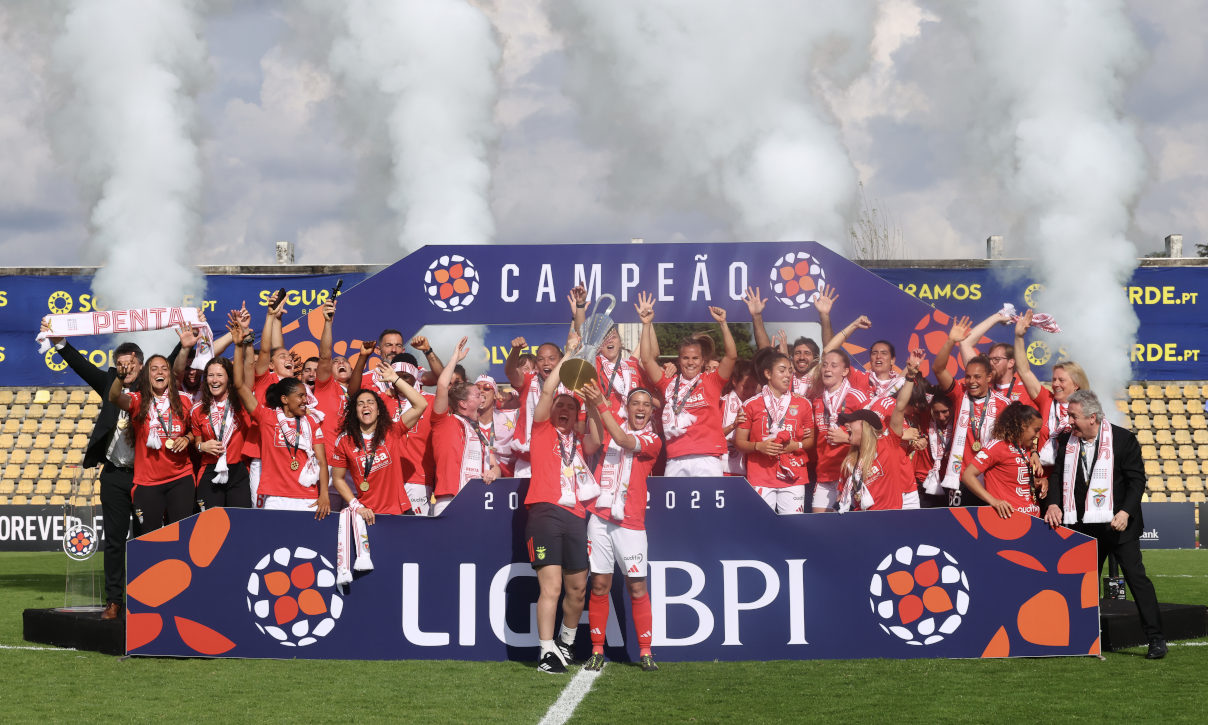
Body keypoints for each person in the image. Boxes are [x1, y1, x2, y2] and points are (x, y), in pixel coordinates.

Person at [1043, 390, 1167, 659]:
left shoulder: (1123, 439)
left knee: (1136, 579)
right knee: (1081, 583)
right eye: (1068, 416)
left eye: (1074, 416)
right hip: (1084, 527)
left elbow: (1137, 481)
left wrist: (1125, 512)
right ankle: (1080, 639)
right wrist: (1053, 503)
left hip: (1119, 526)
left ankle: (1156, 639)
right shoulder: (1066, 440)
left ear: (1092, 417)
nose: (1069, 421)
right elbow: (1056, 476)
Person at [48, 331, 143, 619]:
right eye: (120, 364)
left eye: (130, 364)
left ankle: (145, 601)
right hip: (114, 474)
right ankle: (114, 601)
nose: (125, 369)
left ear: (140, 365)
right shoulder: (109, 383)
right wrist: (60, 343)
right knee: (114, 541)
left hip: (145, 476)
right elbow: (82, 365)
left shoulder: (151, 388)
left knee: (146, 539)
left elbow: (175, 364)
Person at [525, 348, 602, 674]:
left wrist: (594, 403)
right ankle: (546, 651)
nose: (565, 410)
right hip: (545, 512)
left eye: (572, 407)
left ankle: (566, 644)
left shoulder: (580, 441)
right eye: (561, 405)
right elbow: (547, 391)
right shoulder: (541, 430)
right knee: (552, 587)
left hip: (576, 516)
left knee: (578, 589)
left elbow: (597, 438)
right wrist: (567, 358)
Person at [580, 381, 662, 672]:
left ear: (651, 412)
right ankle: (597, 650)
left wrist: (601, 404)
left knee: (637, 587)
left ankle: (645, 651)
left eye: (646, 405)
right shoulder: (611, 426)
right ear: (627, 408)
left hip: (630, 523)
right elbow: (593, 440)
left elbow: (624, 440)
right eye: (635, 403)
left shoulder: (652, 439)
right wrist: (592, 405)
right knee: (599, 585)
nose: (641, 408)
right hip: (600, 517)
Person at [233, 330, 349, 517]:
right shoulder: (267, 418)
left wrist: (324, 495)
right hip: (275, 497)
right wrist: (239, 346)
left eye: (305, 396)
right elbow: (240, 385)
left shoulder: (311, 422)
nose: (305, 400)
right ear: (285, 399)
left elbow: (321, 461)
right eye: (300, 396)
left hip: (307, 497)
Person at [637, 292, 737, 476]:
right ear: (679, 360)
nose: (690, 362)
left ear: (703, 361)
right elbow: (646, 360)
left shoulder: (712, 380)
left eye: (695, 358)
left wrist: (723, 323)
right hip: (675, 458)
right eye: (685, 358)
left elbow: (731, 356)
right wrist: (646, 324)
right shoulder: (668, 382)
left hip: (708, 457)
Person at [108, 354, 195, 533]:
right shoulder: (137, 400)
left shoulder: (185, 400)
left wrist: (187, 438)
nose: (159, 372)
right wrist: (120, 377)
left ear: (170, 374)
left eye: (164, 368)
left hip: (180, 478)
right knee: (149, 538)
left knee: (182, 535)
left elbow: (196, 431)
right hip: (148, 482)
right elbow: (114, 397)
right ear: (147, 376)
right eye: (154, 369)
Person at [327, 365, 428, 517]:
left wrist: (395, 379)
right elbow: (337, 479)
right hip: (369, 514)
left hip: (400, 512)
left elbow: (421, 404)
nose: (365, 405)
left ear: (379, 410)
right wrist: (356, 506)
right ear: (355, 411)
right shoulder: (345, 441)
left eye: (370, 402)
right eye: (360, 403)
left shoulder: (392, 431)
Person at [933, 316, 1011, 507]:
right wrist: (950, 341)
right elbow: (938, 369)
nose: (971, 381)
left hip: (991, 476)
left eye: (977, 377)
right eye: (968, 377)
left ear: (989, 377)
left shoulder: (1004, 404)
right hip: (959, 477)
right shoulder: (960, 394)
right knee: (958, 523)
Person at [835, 349, 922, 512]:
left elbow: (900, 406)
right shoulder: (850, 461)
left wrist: (910, 376)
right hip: (865, 522)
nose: (846, 426)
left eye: (851, 422)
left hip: (892, 518)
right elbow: (842, 500)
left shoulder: (888, 443)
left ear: (865, 425)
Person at [735, 352, 815, 513]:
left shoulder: (803, 403)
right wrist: (759, 446)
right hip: (760, 477)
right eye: (782, 370)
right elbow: (739, 443)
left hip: (794, 476)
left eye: (790, 371)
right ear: (768, 373)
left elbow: (810, 440)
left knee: (793, 525)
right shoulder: (750, 405)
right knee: (761, 526)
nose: (788, 375)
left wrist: (796, 445)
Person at [431, 338, 502, 515]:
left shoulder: (479, 432)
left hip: (476, 499)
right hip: (450, 500)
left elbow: (495, 466)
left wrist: (494, 473)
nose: (482, 397)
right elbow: (442, 386)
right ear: (463, 404)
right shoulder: (445, 422)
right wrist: (454, 358)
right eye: (477, 395)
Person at [1012, 309, 1090, 466]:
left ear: (1076, 385)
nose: (1055, 384)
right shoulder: (1046, 400)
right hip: (1044, 472)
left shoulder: (1087, 408)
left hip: (1073, 472)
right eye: (1054, 379)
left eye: (1061, 380)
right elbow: (1024, 371)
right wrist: (1019, 337)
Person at [809, 348, 870, 512]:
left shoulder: (857, 397)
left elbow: (875, 436)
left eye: (833, 365)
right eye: (824, 365)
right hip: (824, 474)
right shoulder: (817, 400)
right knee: (819, 525)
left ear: (845, 371)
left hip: (849, 475)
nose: (827, 369)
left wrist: (847, 438)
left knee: (845, 526)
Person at [189, 354, 252, 510]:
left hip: (238, 470)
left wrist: (242, 347)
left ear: (229, 379)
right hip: (210, 470)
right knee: (211, 523)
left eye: (219, 375)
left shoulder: (242, 404)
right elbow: (197, 442)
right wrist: (202, 447)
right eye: (210, 375)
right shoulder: (197, 410)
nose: (214, 380)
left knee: (239, 521)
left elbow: (249, 369)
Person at [961, 402, 1044, 518]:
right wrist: (994, 501)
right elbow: (967, 476)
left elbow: (1015, 481)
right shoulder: (997, 446)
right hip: (1008, 518)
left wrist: (1040, 482)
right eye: (1036, 430)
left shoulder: (1025, 448)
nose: (1038, 435)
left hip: (1032, 517)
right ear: (1023, 426)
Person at [505, 335, 569, 478]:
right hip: (529, 460)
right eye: (540, 359)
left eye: (551, 359)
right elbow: (510, 372)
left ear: (561, 360)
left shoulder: (570, 385)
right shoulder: (529, 380)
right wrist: (515, 351)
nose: (546, 363)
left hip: (560, 457)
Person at [960, 311, 1037, 410]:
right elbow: (965, 343)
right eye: (990, 359)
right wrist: (997, 317)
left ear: (1011, 363)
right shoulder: (983, 384)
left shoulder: (1026, 389)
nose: (991, 363)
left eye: (996, 359)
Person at [915, 389, 955, 508]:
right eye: (936, 412)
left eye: (945, 411)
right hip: (925, 480)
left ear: (953, 408)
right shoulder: (926, 416)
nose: (941, 417)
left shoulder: (960, 422)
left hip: (950, 480)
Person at [475, 375, 519, 476]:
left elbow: (526, 402)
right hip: (476, 479)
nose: (481, 391)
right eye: (477, 388)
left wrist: (510, 396)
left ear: (495, 395)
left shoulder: (510, 418)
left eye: (486, 388)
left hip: (508, 480)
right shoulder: (466, 422)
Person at [720, 360, 757, 476]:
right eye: (746, 387)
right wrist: (733, 426)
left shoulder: (758, 405)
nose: (750, 391)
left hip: (748, 469)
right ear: (735, 381)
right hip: (721, 468)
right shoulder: (721, 403)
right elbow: (711, 437)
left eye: (753, 387)